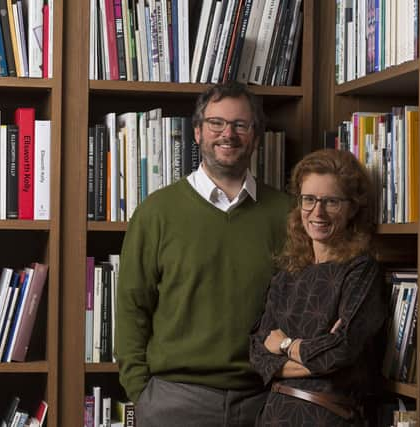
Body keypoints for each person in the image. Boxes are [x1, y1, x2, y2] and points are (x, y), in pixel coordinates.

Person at [115, 81, 291, 427]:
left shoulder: (288, 214)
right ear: (197, 132)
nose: (228, 134)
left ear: (256, 136)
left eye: (241, 124)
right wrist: (142, 392)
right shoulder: (156, 213)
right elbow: (132, 307)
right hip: (174, 402)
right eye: (216, 123)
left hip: (263, 400)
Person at [249, 149, 387, 426]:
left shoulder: (360, 270)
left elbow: (343, 350)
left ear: (352, 207)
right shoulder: (288, 271)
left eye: (332, 202)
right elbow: (258, 352)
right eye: (309, 200)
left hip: (328, 417)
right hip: (273, 415)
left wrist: (285, 345)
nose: (318, 212)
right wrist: (317, 356)